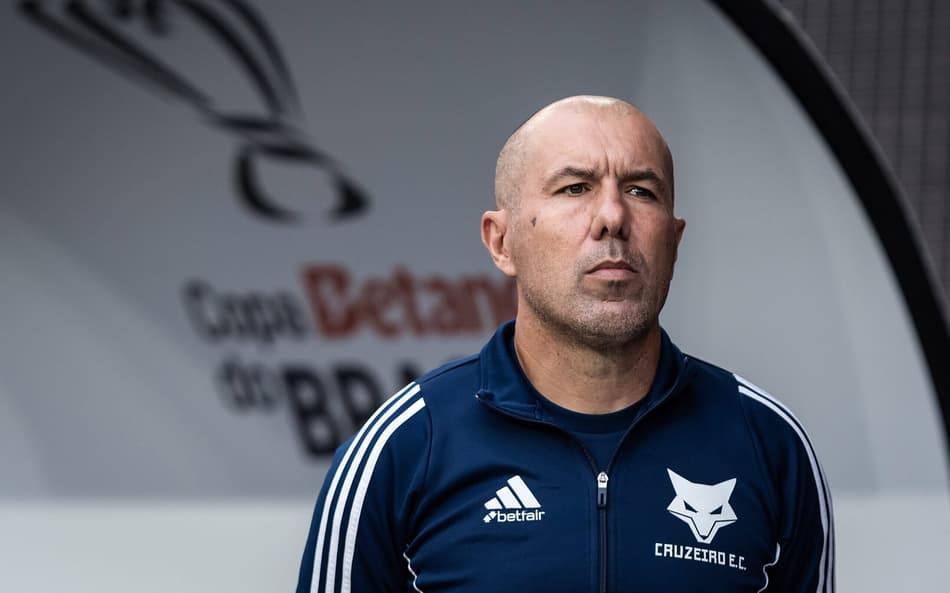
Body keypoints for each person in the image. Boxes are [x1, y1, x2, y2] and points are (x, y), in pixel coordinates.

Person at [295, 96, 834, 593]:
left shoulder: (770, 445)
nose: (612, 218)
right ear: (501, 242)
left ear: (674, 240)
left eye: (641, 191)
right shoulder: (404, 447)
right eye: (575, 187)